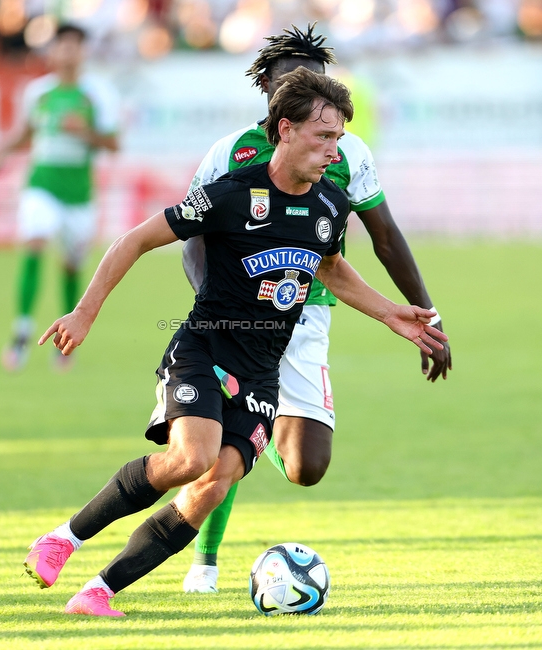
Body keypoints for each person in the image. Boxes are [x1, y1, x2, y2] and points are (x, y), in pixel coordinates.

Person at [22, 68, 448, 617]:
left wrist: (394, 315)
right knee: (190, 458)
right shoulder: (229, 197)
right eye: (323, 137)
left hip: (262, 372)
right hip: (204, 350)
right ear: (285, 130)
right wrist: (84, 313)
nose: (332, 150)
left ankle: (98, 593)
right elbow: (136, 239)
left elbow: (332, 269)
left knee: (216, 482)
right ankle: (63, 538)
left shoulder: (329, 207)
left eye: (339, 139)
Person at [179, 24, 452, 594]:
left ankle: (261, 435)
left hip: (307, 317)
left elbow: (383, 236)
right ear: (274, 100)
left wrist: (427, 314)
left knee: (307, 468)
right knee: (221, 438)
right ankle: (203, 561)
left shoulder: (347, 152)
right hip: (234, 319)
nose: (309, 87)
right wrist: (217, 304)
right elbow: (192, 237)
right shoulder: (231, 153)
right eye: (294, 81)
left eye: (318, 79)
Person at [0, 23, 120, 370]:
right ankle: (21, 331)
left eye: (74, 45)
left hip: (78, 193)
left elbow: (113, 144)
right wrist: (3, 151)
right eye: (62, 44)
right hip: (42, 185)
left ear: (83, 52)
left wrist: (86, 132)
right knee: (35, 240)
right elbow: (27, 132)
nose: (67, 51)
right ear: (52, 51)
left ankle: (65, 341)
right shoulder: (39, 93)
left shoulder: (98, 94)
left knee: (71, 264)